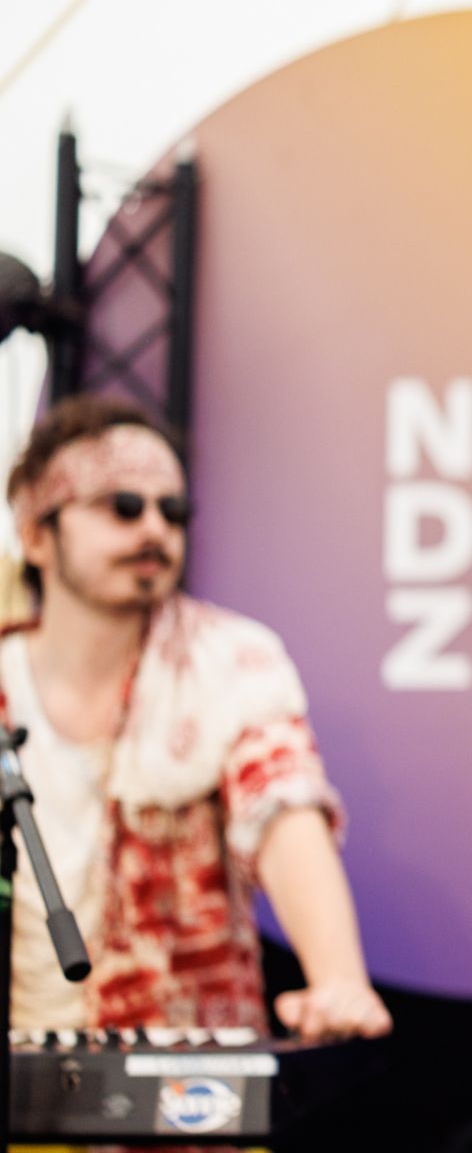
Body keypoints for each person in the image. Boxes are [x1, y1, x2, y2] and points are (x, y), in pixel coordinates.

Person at [1, 393, 390, 1040]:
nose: (155, 529)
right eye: (124, 507)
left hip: (178, 1084)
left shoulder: (229, 659)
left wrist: (338, 981)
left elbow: (284, 808)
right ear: (37, 534)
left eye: (173, 512)